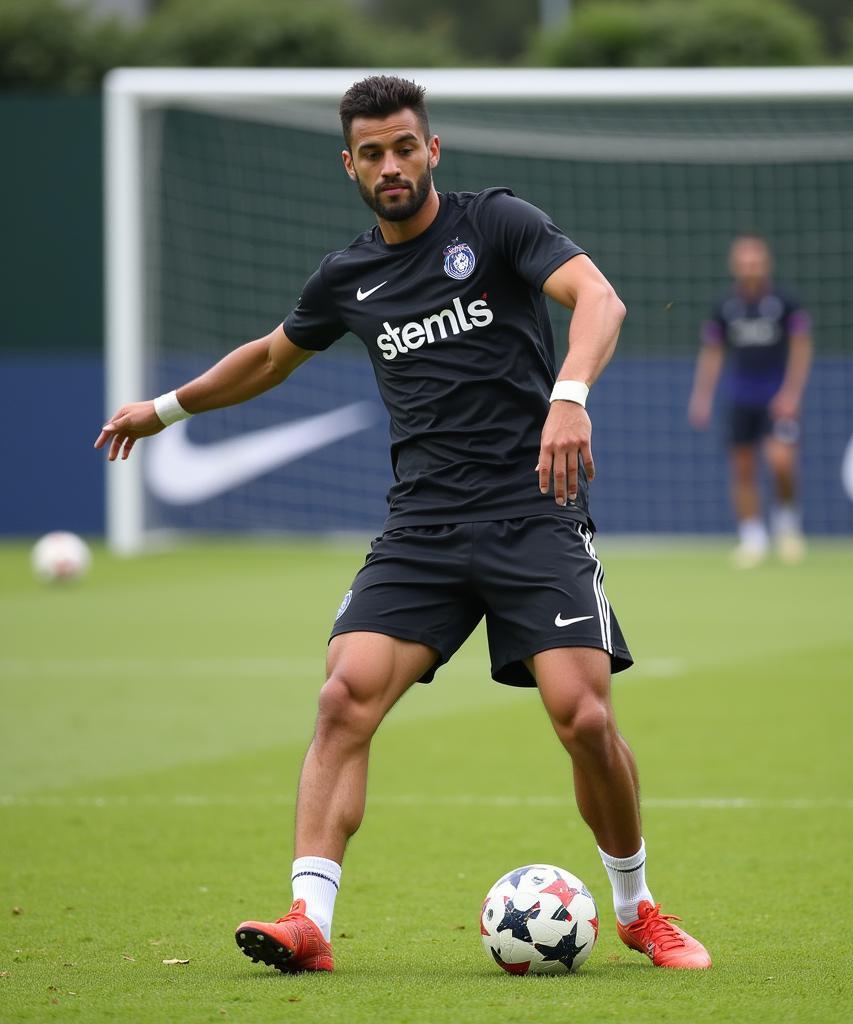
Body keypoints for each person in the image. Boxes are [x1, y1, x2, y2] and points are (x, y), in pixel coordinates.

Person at [95, 75, 711, 973]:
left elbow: (601, 300)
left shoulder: (495, 223)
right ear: (350, 165)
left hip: (533, 511)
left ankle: (636, 907)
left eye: (405, 146)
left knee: (581, 715)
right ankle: (309, 922)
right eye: (372, 153)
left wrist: (568, 396)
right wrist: (163, 409)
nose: (392, 165)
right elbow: (272, 356)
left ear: (432, 150)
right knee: (343, 694)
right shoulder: (348, 276)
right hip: (423, 526)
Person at [688, 235, 813, 568]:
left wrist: (791, 393)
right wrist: (702, 397)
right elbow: (713, 354)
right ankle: (752, 537)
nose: (750, 268)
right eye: (744, 262)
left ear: (766, 263)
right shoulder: (725, 306)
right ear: (734, 266)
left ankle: (787, 526)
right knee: (742, 468)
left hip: (776, 399)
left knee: (781, 462)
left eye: (755, 261)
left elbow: (801, 347)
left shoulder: (785, 303)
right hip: (740, 398)